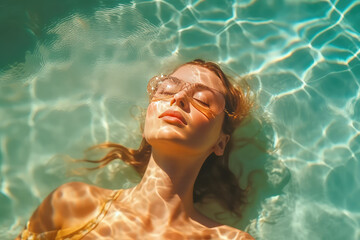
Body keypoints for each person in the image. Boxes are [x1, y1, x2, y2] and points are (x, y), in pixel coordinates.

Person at [17, 59, 255, 239]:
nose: (178, 98)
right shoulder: (73, 202)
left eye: (203, 100)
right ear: (146, 125)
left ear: (220, 142)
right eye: (167, 90)